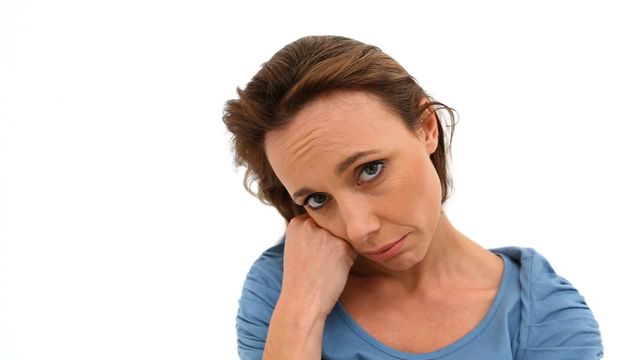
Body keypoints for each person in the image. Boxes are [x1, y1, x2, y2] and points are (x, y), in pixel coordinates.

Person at [223, 35, 603, 360]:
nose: (359, 229)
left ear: (426, 128)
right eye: (319, 199)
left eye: (370, 170)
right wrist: (303, 309)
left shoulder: (545, 317)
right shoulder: (285, 287)